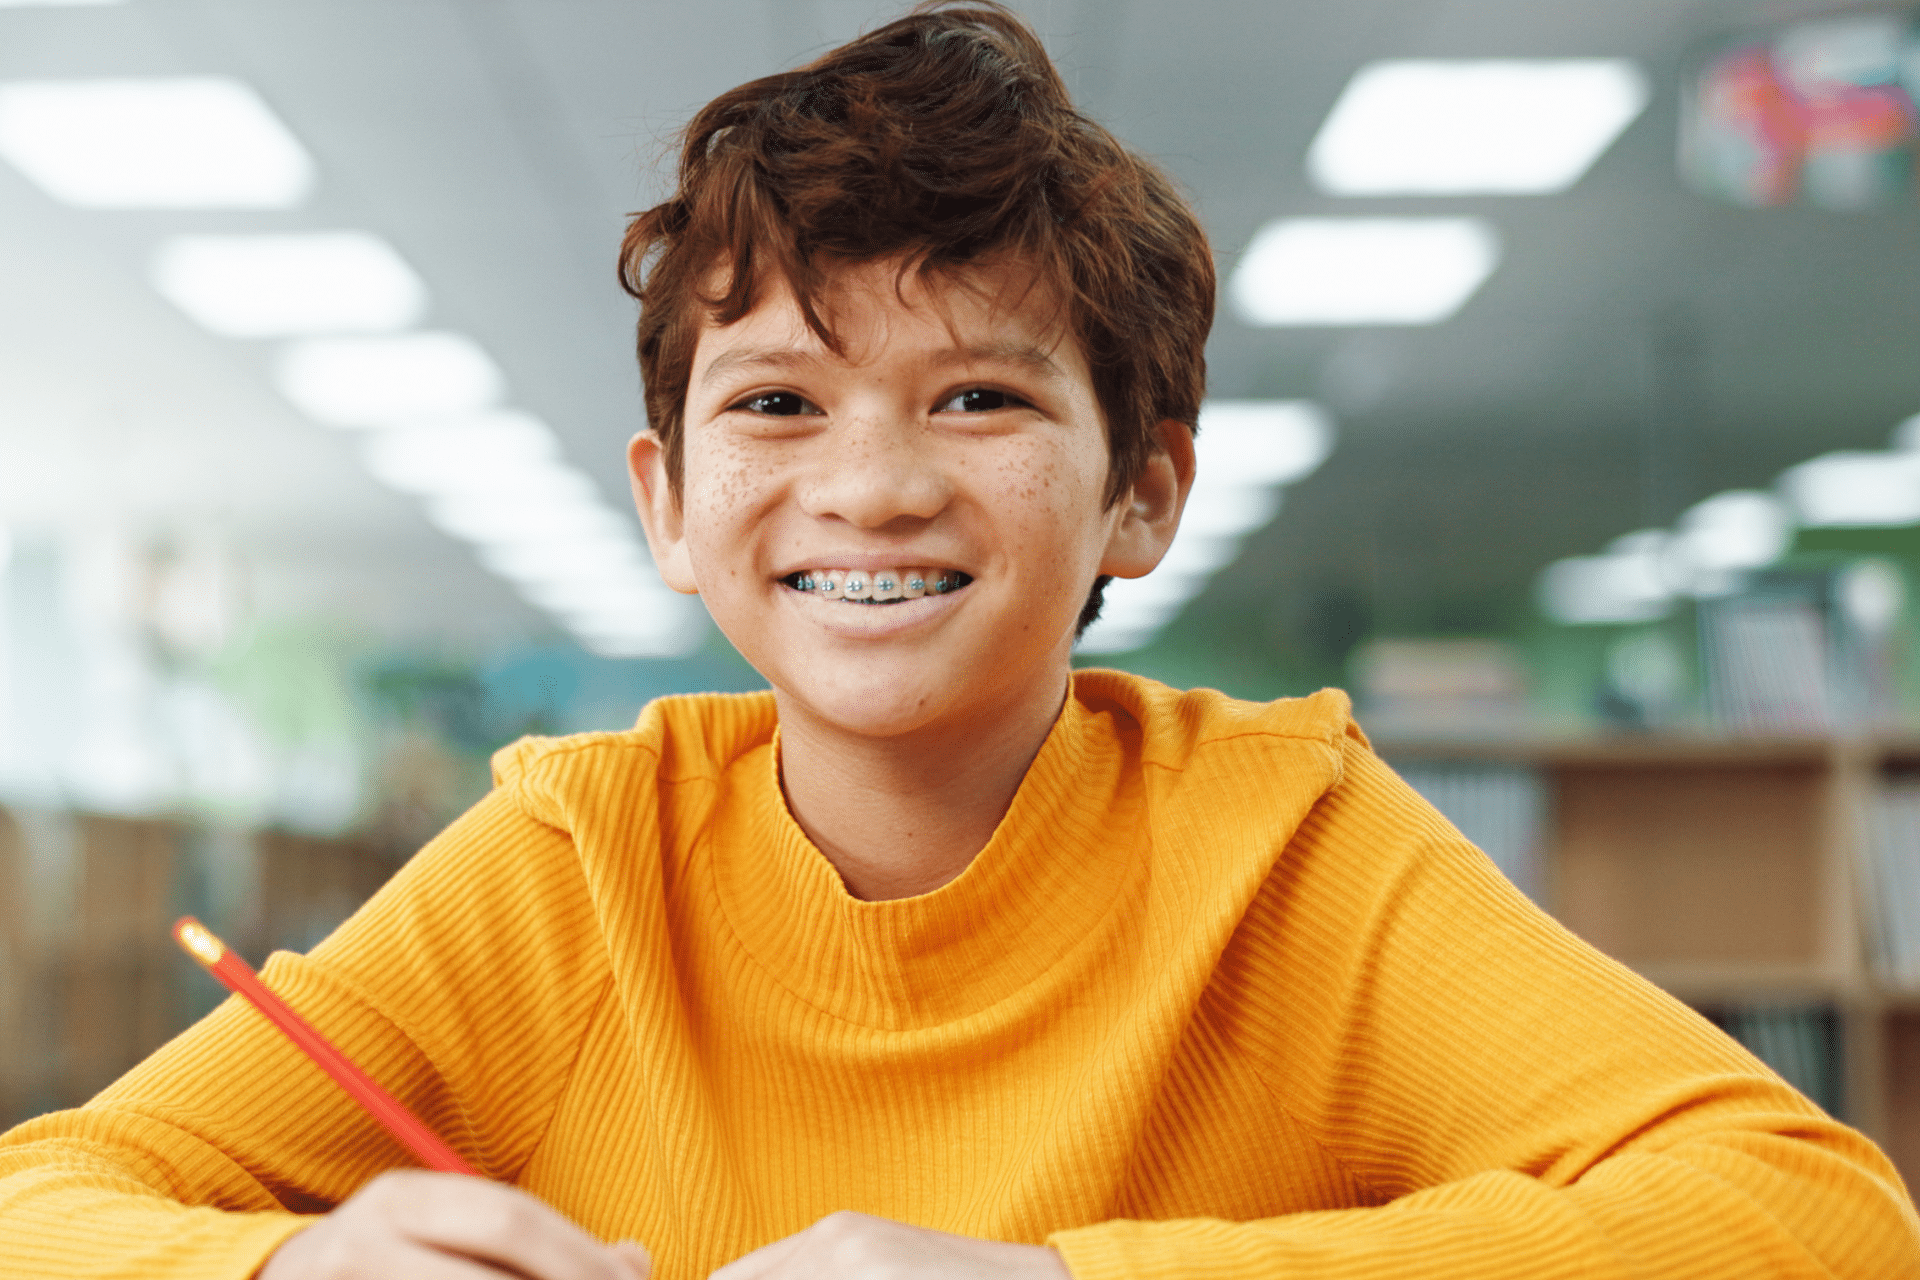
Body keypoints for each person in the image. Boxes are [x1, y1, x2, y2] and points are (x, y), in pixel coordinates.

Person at [3, 4, 1918, 1277]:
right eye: (775, 406)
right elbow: (40, 1201)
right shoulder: (570, 860)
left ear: (1142, 495)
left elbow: (1812, 1217)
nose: (875, 488)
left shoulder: (1287, 844)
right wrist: (285, 1257)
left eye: (981, 403)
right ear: (669, 504)